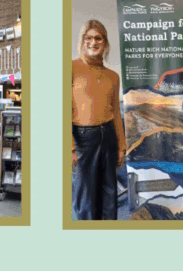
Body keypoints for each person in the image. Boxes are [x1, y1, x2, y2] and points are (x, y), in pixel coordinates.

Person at [71, 19, 125, 220]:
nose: (93, 42)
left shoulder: (113, 76)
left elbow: (116, 113)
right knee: (86, 197)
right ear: (82, 41)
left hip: (109, 136)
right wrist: (70, 148)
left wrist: (121, 146)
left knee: (109, 193)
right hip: (84, 139)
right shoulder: (72, 68)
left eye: (98, 38)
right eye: (88, 38)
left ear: (105, 43)